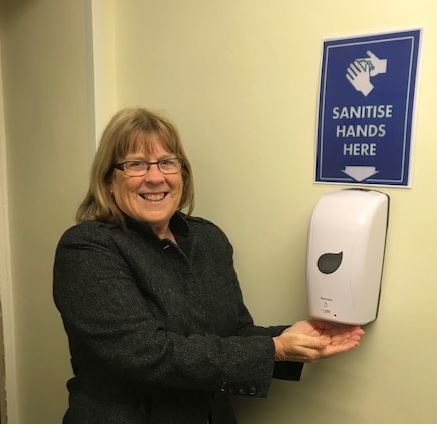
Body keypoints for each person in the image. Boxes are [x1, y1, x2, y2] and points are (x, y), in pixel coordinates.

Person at [53, 107, 364, 424]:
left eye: (167, 162)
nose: (155, 177)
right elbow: (145, 353)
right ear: (108, 180)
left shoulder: (208, 239)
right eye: (136, 164)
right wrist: (275, 349)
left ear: (183, 175)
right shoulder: (88, 248)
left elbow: (234, 332)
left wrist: (293, 337)